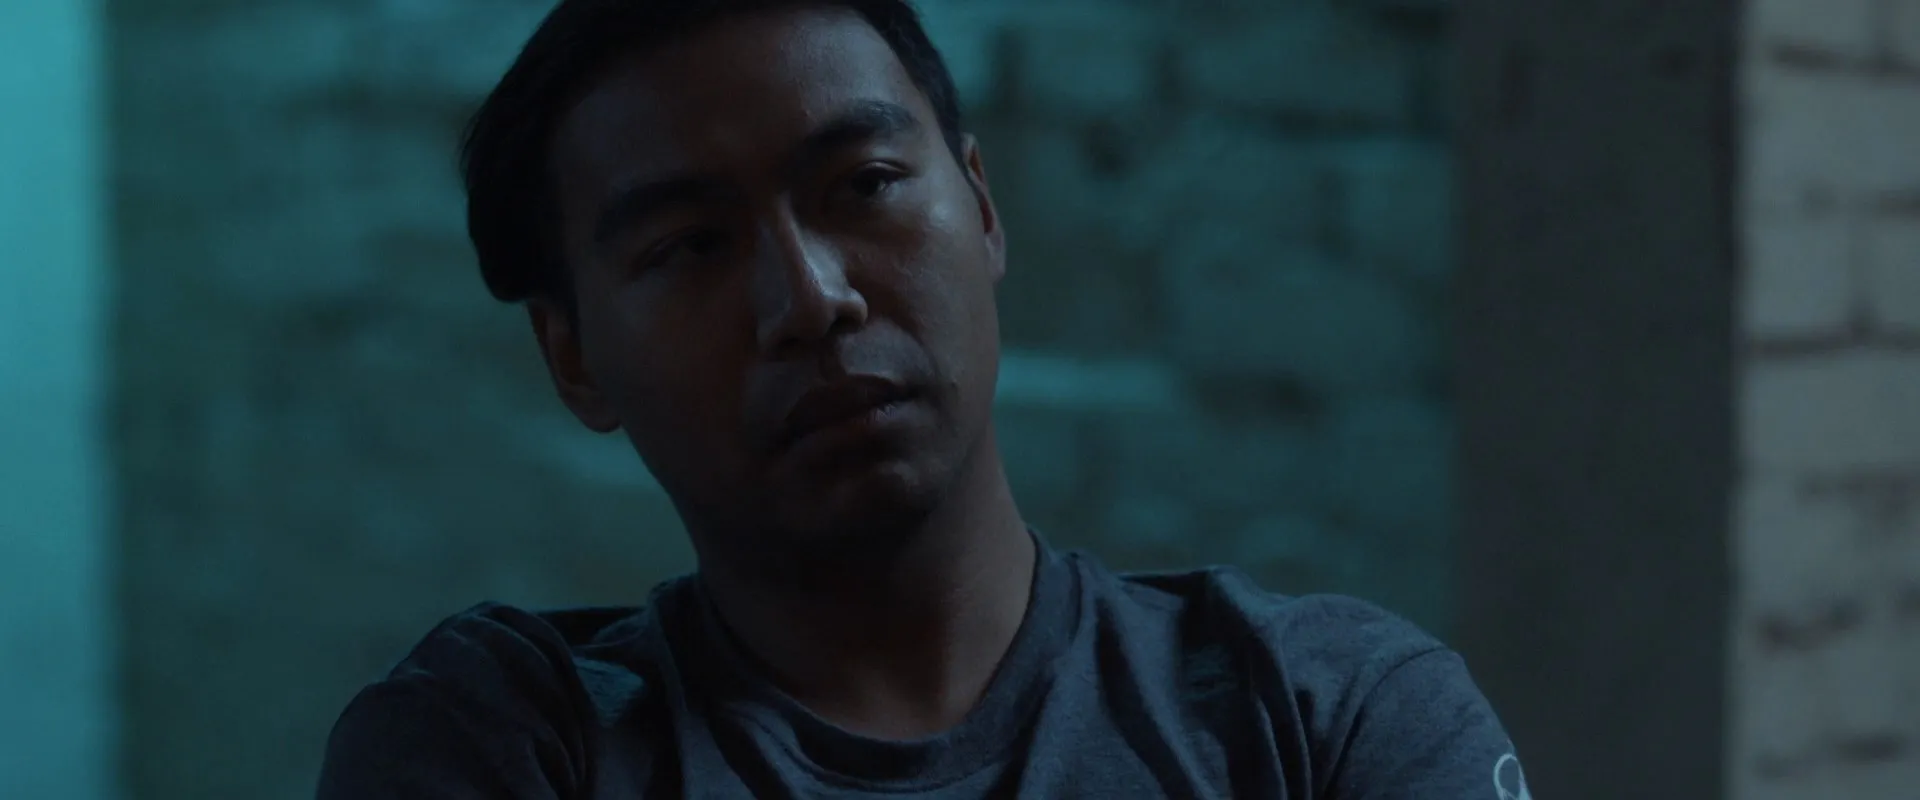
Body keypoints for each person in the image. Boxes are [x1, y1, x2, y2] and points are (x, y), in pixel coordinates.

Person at [316, 0, 1528, 797]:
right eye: (690, 247)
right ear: (575, 356)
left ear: (983, 209)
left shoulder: (1319, 718)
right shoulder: (513, 743)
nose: (811, 297)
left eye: (864, 185)